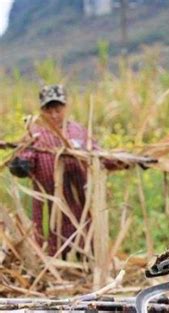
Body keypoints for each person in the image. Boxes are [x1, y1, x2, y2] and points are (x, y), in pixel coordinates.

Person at [8, 84, 127, 258]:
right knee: (52, 253)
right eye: (49, 110)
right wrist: (19, 166)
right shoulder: (35, 135)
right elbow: (24, 160)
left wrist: (123, 161)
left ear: (65, 107)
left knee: (86, 248)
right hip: (51, 210)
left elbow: (100, 157)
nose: (54, 115)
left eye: (58, 109)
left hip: (81, 207)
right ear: (42, 110)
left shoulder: (79, 132)